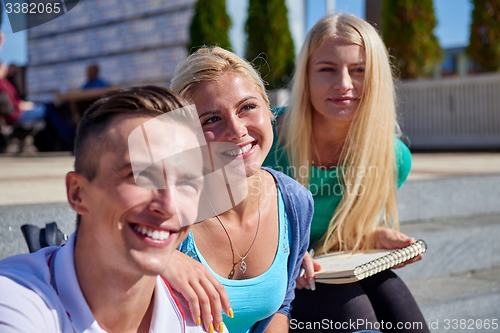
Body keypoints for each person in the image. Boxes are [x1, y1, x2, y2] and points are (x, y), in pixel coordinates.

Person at [0, 85, 227, 333]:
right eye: (141, 176)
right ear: (78, 193)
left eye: (187, 182)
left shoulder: (198, 316)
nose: (169, 205)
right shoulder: (15, 297)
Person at [263, 14, 430, 332]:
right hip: (276, 280)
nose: (343, 84)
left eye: (359, 70)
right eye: (327, 69)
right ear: (307, 77)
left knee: (402, 313)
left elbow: (337, 236)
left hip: (330, 268)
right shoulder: (266, 138)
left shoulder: (393, 158)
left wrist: (373, 234)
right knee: (356, 316)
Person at [168, 46, 314, 333]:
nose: (236, 130)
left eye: (247, 107)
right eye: (211, 119)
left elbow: (280, 306)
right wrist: (160, 258)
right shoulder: (166, 207)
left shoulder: (295, 202)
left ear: (269, 109)